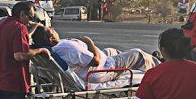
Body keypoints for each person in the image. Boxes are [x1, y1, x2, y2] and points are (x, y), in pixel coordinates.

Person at [31, 26, 160, 83]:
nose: (54, 29)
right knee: (136, 54)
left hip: (99, 62)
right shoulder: (69, 49)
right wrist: (89, 41)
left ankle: (154, 59)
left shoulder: (53, 48)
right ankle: (161, 66)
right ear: (51, 39)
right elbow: (95, 61)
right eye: (51, 30)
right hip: (102, 69)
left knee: (112, 51)